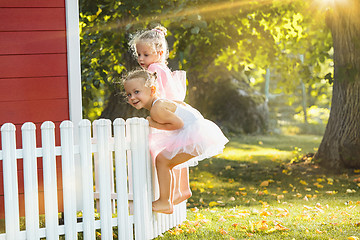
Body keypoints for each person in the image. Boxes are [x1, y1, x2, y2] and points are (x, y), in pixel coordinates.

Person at [122, 69, 228, 214]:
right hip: (198, 133)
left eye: (136, 92)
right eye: (129, 94)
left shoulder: (156, 109)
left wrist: (153, 124)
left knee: (163, 161)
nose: (132, 97)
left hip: (194, 135)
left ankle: (165, 202)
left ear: (152, 90)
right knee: (166, 162)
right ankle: (169, 198)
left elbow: (178, 124)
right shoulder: (161, 103)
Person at [129, 25, 189, 206]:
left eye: (145, 55)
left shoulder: (154, 69)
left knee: (166, 157)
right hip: (173, 112)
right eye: (139, 54)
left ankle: (171, 195)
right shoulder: (162, 66)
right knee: (177, 153)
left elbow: (156, 92)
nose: (141, 58)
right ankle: (181, 190)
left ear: (159, 52)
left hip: (165, 114)